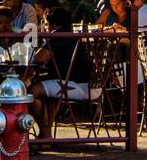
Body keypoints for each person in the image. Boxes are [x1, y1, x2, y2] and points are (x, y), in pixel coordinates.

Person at [29, 7, 96, 136]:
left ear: (53, 24)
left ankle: (45, 133)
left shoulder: (57, 36)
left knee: (30, 92)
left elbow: (40, 59)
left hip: (73, 85)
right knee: (47, 94)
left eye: (46, 24)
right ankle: (46, 134)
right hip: (92, 85)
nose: (46, 28)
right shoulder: (74, 36)